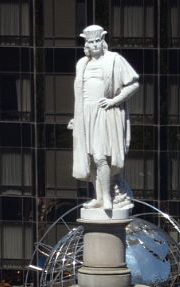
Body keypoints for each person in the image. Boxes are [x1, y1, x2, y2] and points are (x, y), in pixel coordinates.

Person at [69, 25, 140, 212]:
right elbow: (81, 94)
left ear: (103, 41)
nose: (94, 45)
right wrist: (77, 119)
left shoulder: (114, 60)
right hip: (86, 114)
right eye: (90, 42)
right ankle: (99, 197)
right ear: (86, 45)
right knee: (90, 158)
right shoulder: (82, 64)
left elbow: (133, 84)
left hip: (105, 112)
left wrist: (113, 100)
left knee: (101, 157)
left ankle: (108, 198)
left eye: (97, 41)